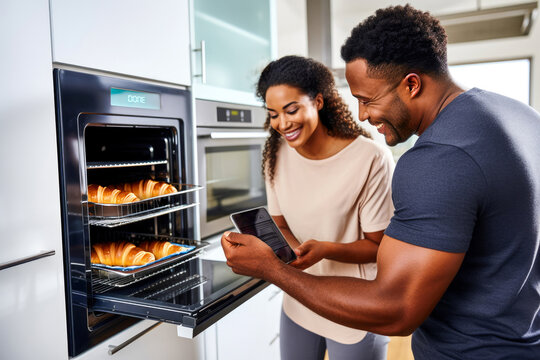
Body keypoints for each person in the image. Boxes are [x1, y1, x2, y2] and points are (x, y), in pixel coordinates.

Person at [221, 4, 540, 359]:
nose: (362, 115)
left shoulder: (437, 160)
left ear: (412, 84)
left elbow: (397, 309)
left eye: (367, 99)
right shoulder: (522, 117)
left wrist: (270, 268)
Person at [256, 55, 395, 360]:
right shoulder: (275, 154)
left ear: (318, 101)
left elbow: (379, 246)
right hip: (299, 298)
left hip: (355, 304)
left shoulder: (370, 159)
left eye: (291, 110)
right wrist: (293, 255)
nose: (283, 123)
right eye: (273, 114)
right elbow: (279, 224)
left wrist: (325, 250)